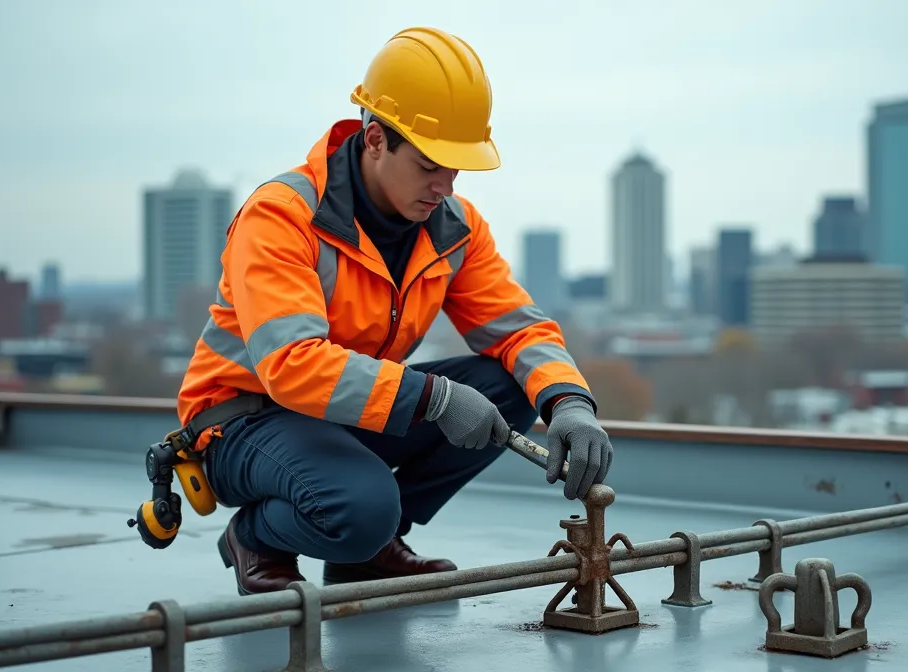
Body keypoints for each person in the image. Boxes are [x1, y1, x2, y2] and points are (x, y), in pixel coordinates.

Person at [172, 26, 614, 596]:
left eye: (458, 168)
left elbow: (518, 328)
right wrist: (435, 397)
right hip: (244, 422)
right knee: (359, 506)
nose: (445, 185)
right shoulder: (282, 217)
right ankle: (258, 536)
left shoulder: (455, 227)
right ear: (376, 139)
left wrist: (568, 403)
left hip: (343, 414)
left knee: (508, 382)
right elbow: (291, 365)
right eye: (431, 164)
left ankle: (369, 549)